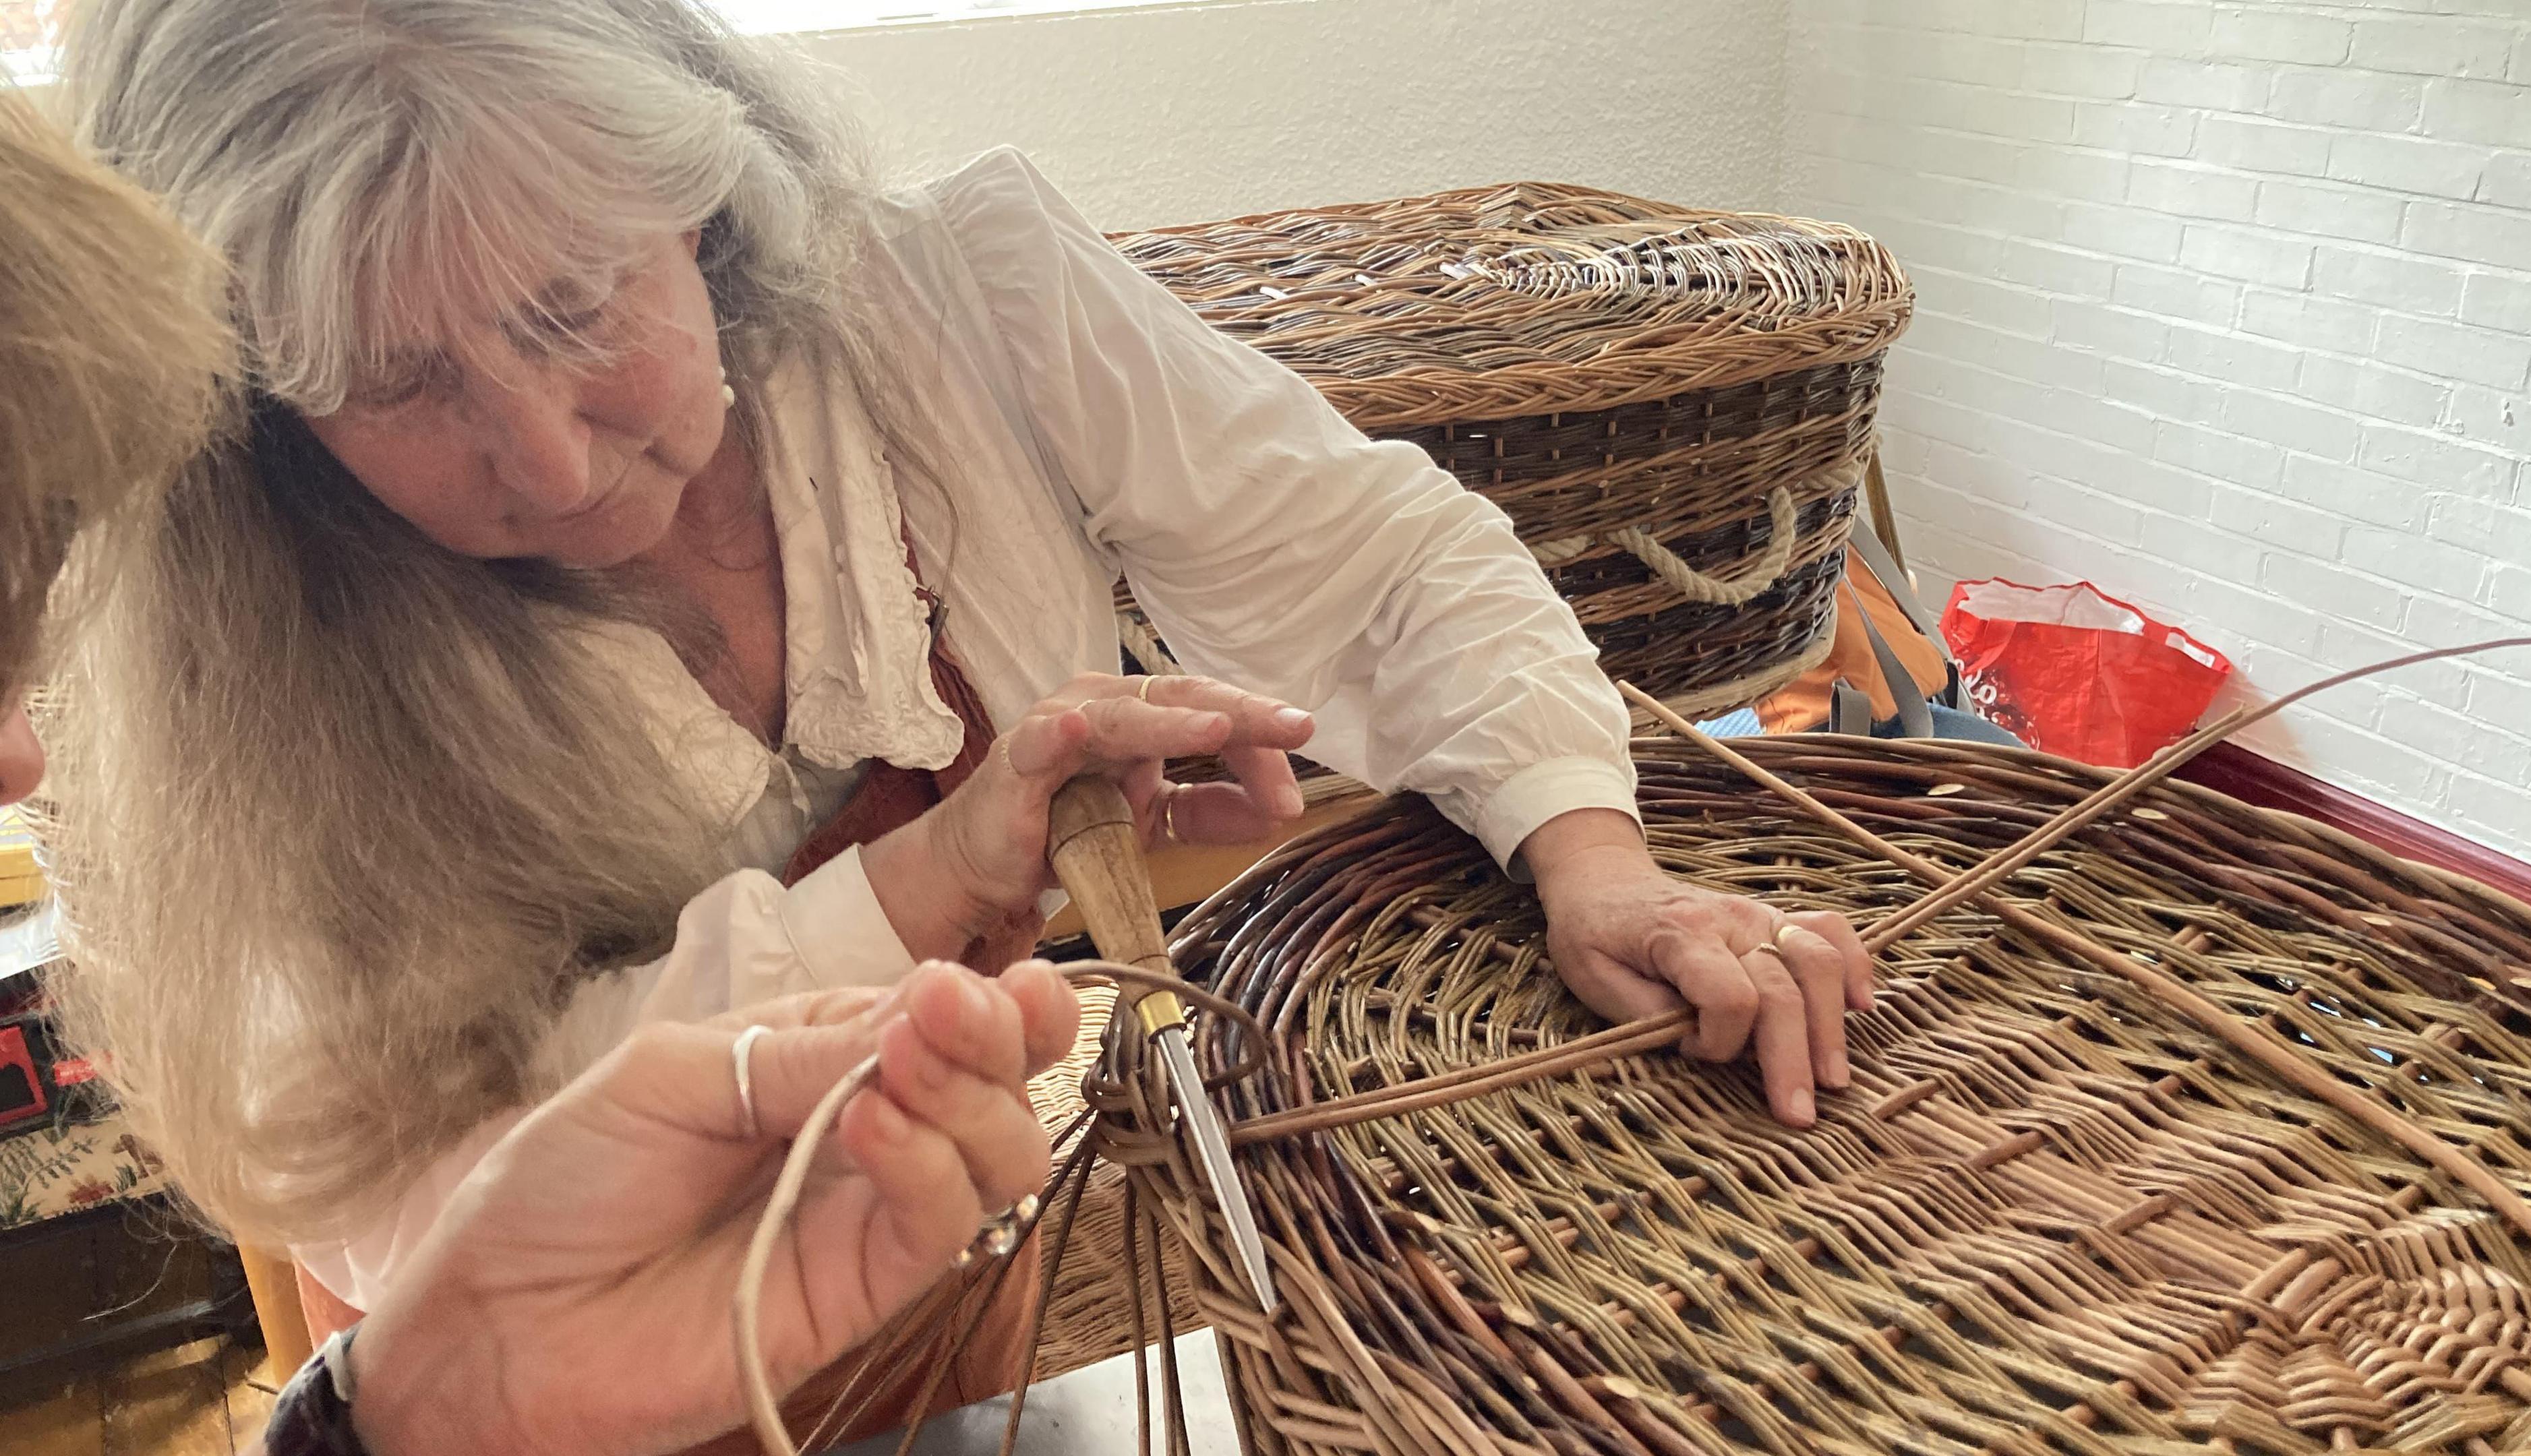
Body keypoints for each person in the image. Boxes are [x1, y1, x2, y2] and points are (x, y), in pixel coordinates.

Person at [47, 0, 1877, 1436]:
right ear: (260, 405)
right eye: (398, 381)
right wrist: (922, 884)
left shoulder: (960, 298)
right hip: (566, 1388)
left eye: (571, 299)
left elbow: (1393, 565)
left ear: (695, 185)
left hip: (995, 1237)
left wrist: (1596, 854)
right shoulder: (259, 650)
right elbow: (412, 1201)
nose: (545, 448)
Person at [1, 89, 1081, 1456]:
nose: (25, 755)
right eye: (396, 380)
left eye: (572, 303)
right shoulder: (273, 681)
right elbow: (382, 1186)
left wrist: (400, 1420)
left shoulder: (926, 322)